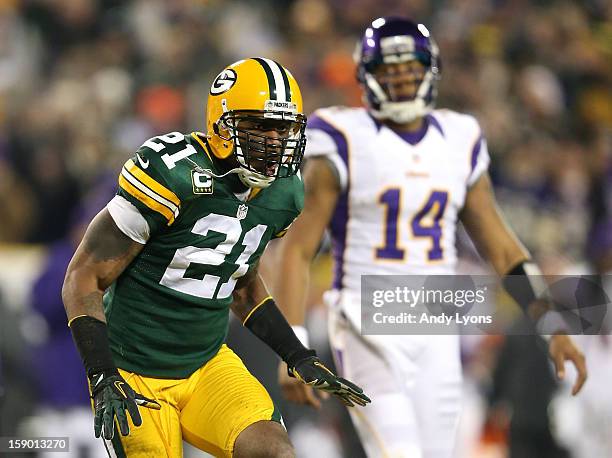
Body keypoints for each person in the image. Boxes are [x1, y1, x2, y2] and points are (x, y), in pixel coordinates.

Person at [275, 17, 587, 458]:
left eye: (411, 67)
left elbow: (500, 247)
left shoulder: (459, 137)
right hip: (366, 320)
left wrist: (549, 322)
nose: (401, 78)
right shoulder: (343, 136)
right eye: (389, 69)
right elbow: (299, 248)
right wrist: (294, 346)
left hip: (434, 322)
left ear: (431, 71)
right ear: (367, 76)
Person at [62, 57, 370, 458]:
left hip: (207, 365)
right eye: (261, 126)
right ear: (223, 124)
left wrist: (297, 354)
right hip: (133, 372)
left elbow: (240, 281)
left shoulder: (285, 193)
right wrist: (101, 373)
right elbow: (82, 278)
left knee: (276, 452)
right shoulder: (173, 173)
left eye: (284, 128)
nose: (275, 141)